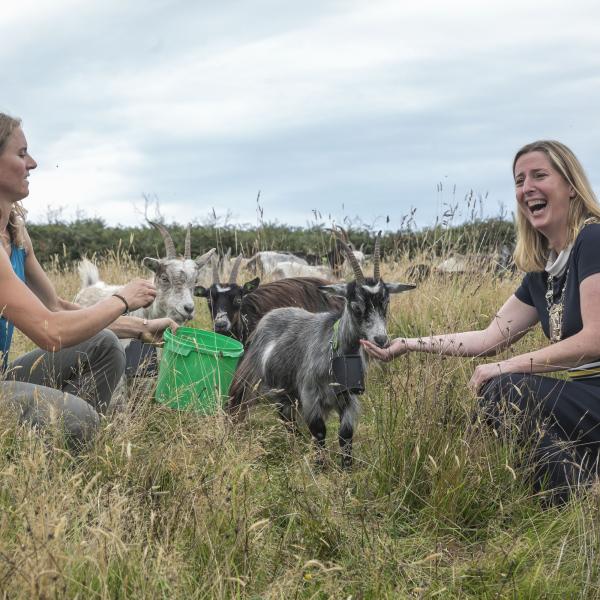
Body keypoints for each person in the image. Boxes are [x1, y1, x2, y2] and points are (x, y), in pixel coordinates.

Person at [361, 140, 600, 504]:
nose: (527, 188)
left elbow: (595, 339)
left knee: (506, 390)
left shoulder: (593, 239)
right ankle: (578, 485)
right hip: (588, 396)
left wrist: (505, 367)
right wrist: (408, 344)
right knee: (499, 396)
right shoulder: (543, 270)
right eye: (519, 180)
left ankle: (569, 492)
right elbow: (489, 337)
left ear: (570, 186)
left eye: (539, 175)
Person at [0, 112, 178, 446]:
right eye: (21, 154)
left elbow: (55, 308)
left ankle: (64, 447)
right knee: (80, 418)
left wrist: (139, 328)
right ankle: (65, 434)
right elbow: (49, 332)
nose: (34, 163)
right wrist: (122, 299)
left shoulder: (16, 232)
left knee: (105, 346)